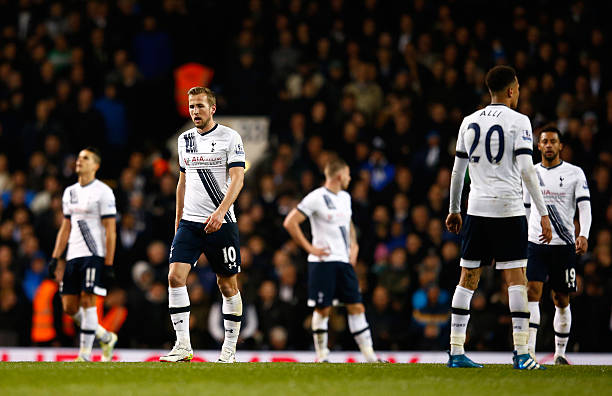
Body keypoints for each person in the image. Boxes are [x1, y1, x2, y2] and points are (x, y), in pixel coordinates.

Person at [445, 65, 552, 370]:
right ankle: (521, 354)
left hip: (477, 208)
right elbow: (527, 170)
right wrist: (543, 213)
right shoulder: (519, 121)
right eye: (517, 88)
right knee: (516, 279)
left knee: (467, 279)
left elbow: (458, 171)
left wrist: (454, 208)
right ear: (509, 90)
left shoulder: (469, 121)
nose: (518, 93)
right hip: (508, 209)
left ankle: (455, 351)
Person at [160, 87, 245, 363]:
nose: (195, 111)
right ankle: (183, 346)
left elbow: (237, 179)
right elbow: (182, 181)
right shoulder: (184, 140)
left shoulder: (230, 137)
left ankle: (229, 349)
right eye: (191, 106)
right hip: (190, 223)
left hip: (222, 223)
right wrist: (178, 221)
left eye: (199, 106)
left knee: (227, 285)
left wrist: (221, 213)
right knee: (174, 276)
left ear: (212, 108)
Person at [283, 157, 380, 363]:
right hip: (322, 262)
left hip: (343, 261)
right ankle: (322, 355)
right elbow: (290, 222)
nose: (350, 178)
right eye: (347, 174)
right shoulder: (316, 197)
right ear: (339, 175)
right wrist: (310, 248)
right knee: (323, 308)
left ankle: (370, 357)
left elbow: (349, 224)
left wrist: (354, 245)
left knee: (356, 306)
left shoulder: (345, 197)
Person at [523, 127, 591, 365]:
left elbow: (584, 206)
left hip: (563, 244)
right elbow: (526, 209)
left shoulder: (575, 173)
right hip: (536, 243)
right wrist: (525, 235)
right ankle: (528, 352)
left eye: (553, 141)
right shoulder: (529, 172)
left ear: (560, 146)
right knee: (532, 292)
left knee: (561, 298)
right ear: (538, 146)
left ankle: (560, 354)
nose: (549, 145)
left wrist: (583, 234)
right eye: (545, 142)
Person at [47, 147, 118, 362]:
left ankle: (85, 354)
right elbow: (65, 227)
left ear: (95, 165)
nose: (79, 161)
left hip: (94, 253)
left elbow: (110, 231)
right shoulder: (70, 192)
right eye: (78, 157)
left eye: (85, 158)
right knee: (69, 307)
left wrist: (108, 264)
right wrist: (56, 256)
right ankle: (105, 336)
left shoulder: (103, 191)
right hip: (73, 254)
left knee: (88, 299)